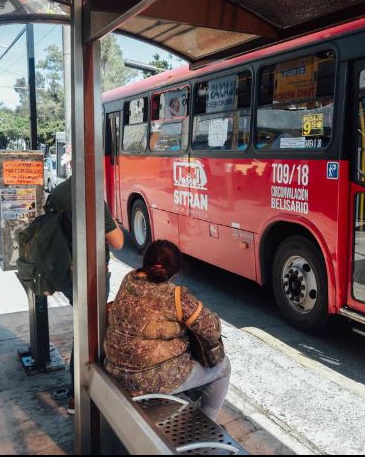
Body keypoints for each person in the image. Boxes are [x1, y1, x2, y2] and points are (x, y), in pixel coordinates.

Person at [104, 240, 230, 420]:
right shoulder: (176, 296)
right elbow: (211, 329)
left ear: (145, 261)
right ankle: (205, 423)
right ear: (176, 270)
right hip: (147, 381)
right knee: (223, 367)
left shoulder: (129, 279)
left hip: (114, 369)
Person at [48, 174, 124, 415]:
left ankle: (80, 392)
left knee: (85, 328)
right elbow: (118, 241)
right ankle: (79, 396)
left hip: (65, 272)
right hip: (90, 275)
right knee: (91, 334)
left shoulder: (58, 191)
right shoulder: (90, 198)